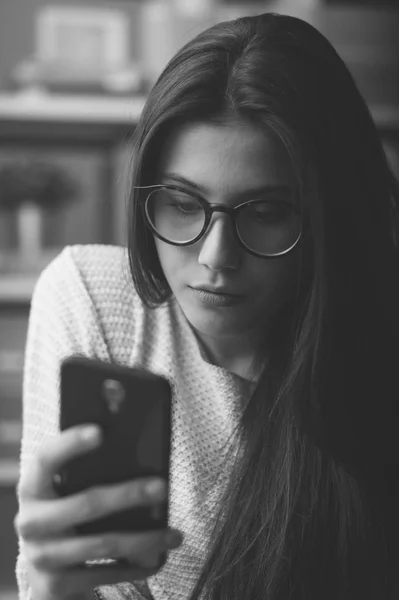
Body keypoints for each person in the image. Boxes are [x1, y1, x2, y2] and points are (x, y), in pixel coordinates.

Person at [14, 11, 399, 600]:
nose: (216, 257)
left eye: (267, 213)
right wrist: (48, 590)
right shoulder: (94, 301)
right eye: (182, 203)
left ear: (329, 217)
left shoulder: (374, 364)